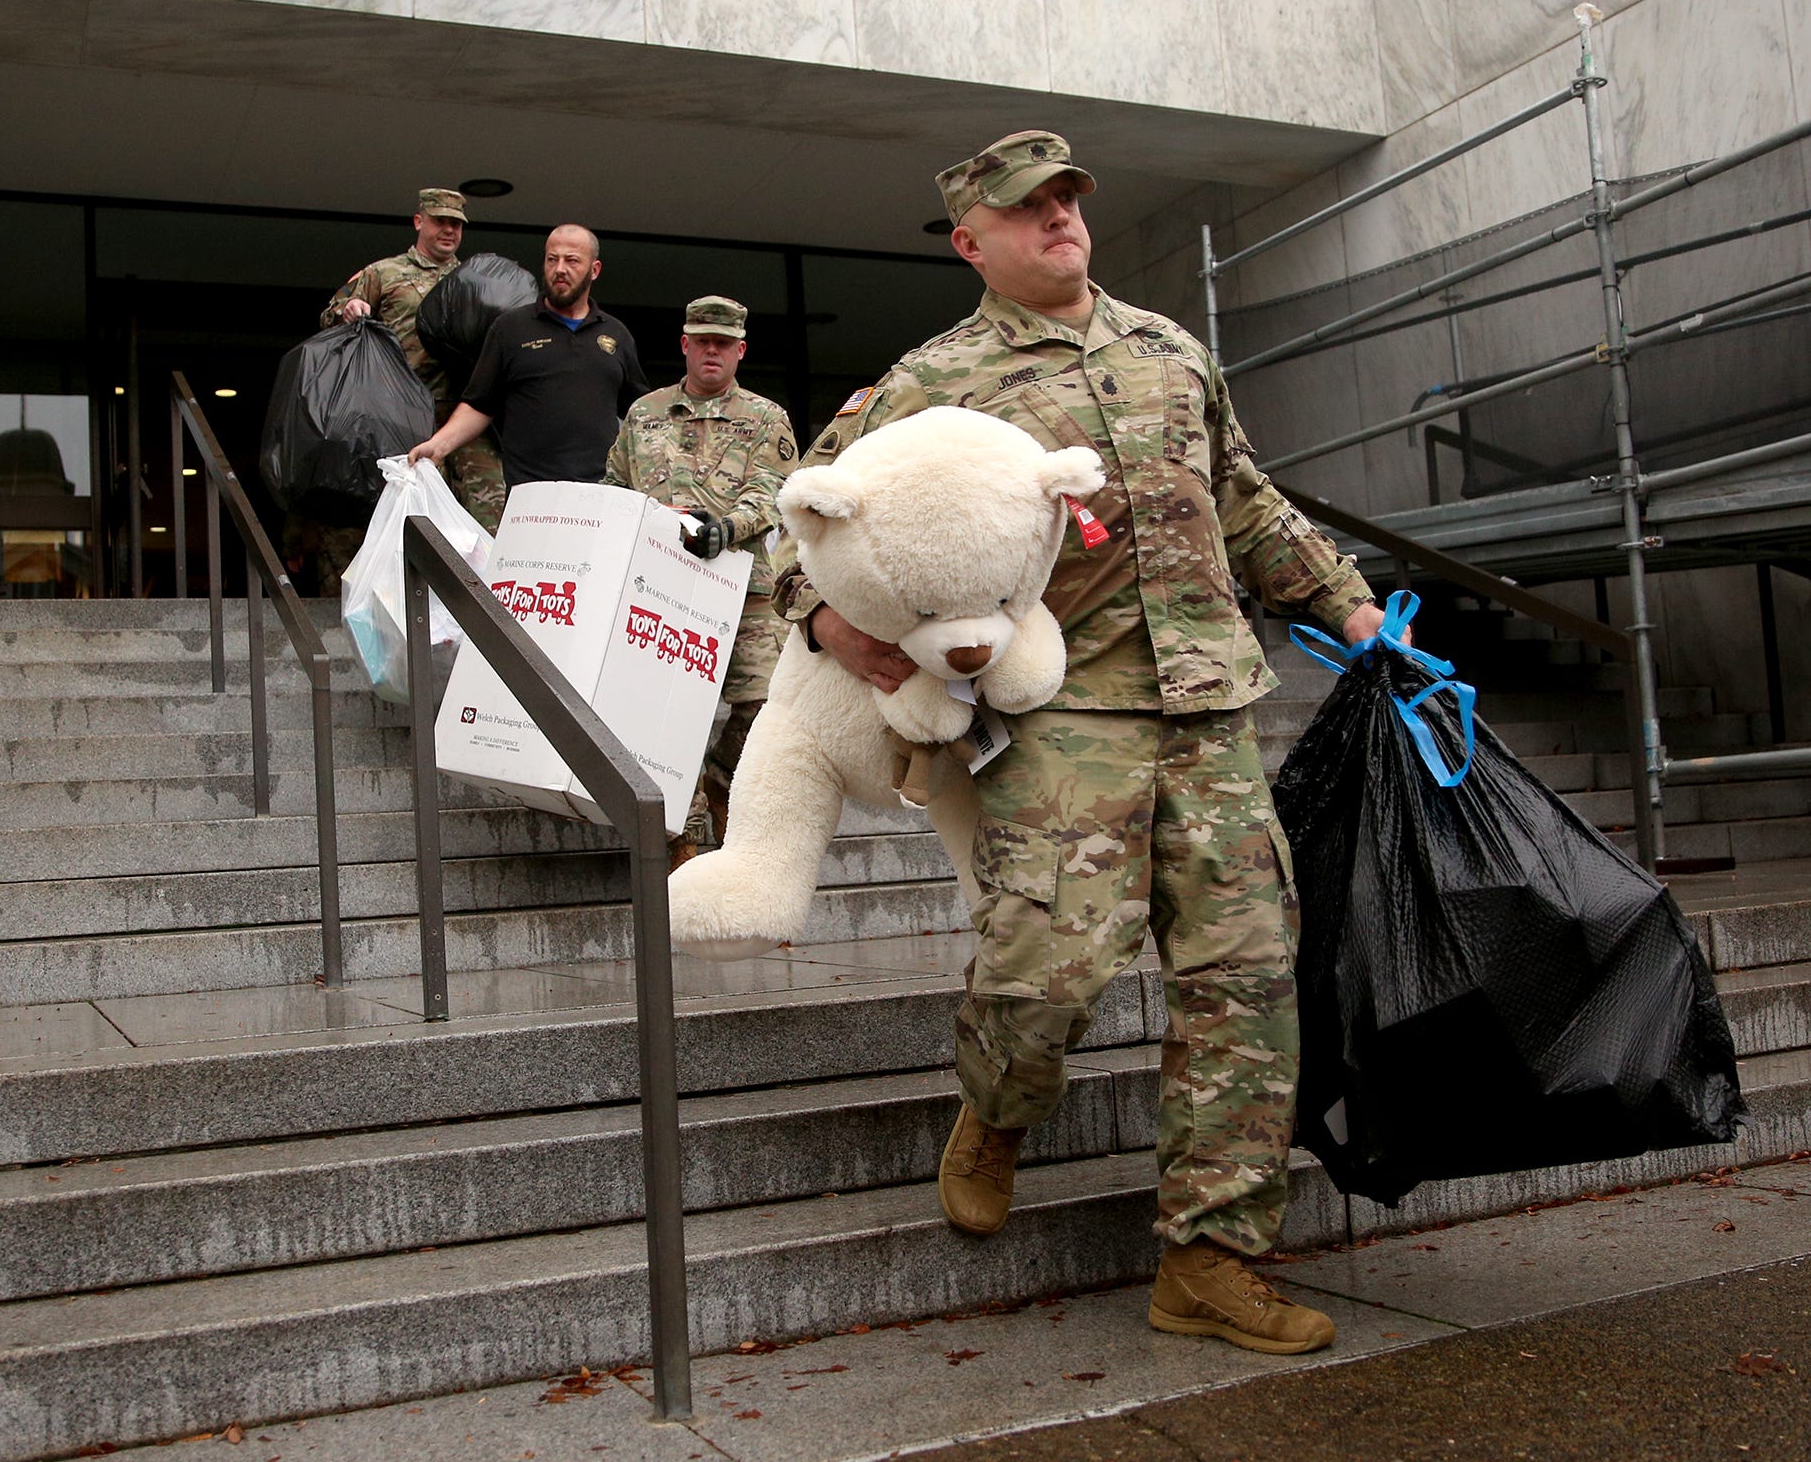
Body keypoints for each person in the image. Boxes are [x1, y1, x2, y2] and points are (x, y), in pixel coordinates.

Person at [774, 130, 1388, 1356]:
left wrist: (1347, 600)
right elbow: (806, 509)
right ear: (972, 242)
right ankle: (997, 1107)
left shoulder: (1170, 351)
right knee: (1050, 964)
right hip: (1064, 714)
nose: (1060, 217)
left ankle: (1211, 1259)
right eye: (1028, 207)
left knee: (1248, 979)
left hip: (1210, 703)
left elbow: (1247, 498)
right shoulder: (933, 379)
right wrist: (832, 622)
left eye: (1068, 198)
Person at [602, 296, 796, 864]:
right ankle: (679, 836)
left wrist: (727, 528)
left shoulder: (766, 417)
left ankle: (720, 773)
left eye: (723, 343)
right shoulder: (644, 414)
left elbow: (772, 491)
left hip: (746, 586)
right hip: (663, 588)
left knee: (764, 701)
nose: (712, 351)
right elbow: (615, 483)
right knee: (665, 712)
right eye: (701, 341)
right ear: (685, 345)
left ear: (740, 351)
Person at [288, 187, 503, 592]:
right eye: (440, 221)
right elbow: (329, 315)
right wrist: (348, 310)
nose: (449, 231)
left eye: (456, 224)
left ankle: (490, 597)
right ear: (419, 221)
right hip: (399, 415)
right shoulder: (383, 274)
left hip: (464, 413)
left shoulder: (476, 278)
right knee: (400, 511)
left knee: (488, 504)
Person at [408, 225, 651, 491]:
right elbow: (479, 405)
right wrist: (437, 446)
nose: (560, 269)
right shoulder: (510, 328)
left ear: (594, 270)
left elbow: (639, 414)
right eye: (552, 259)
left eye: (571, 260)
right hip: (529, 495)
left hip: (598, 495)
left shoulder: (616, 334)